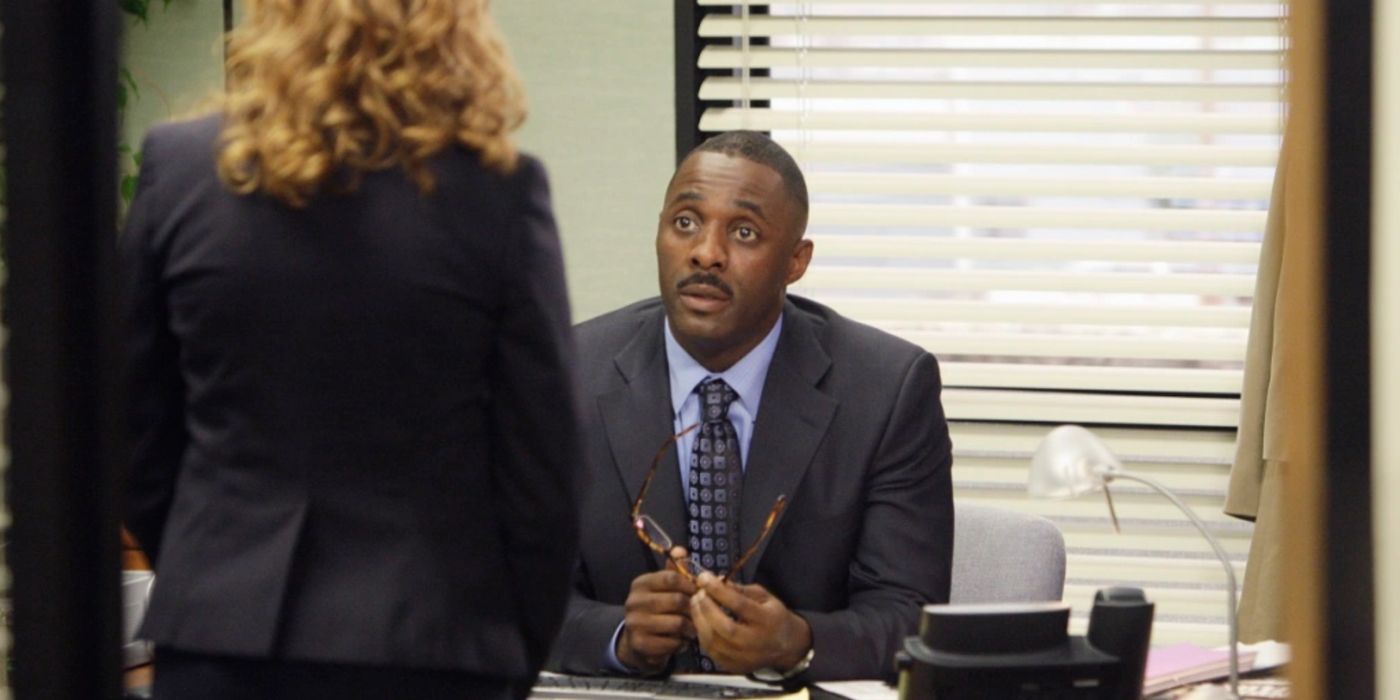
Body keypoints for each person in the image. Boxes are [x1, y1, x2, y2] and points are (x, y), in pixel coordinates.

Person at [119, 1, 578, 698]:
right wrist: (513, 650)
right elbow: (543, 467)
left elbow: (130, 429)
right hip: (435, 641)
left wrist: (212, 559)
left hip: (223, 641)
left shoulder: (181, 169)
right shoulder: (497, 193)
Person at [547, 131, 953, 682]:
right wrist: (618, 635)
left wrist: (799, 643)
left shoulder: (886, 389)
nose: (706, 253)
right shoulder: (568, 374)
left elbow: (910, 615)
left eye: (743, 232)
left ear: (796, 261)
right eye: (685, 222)